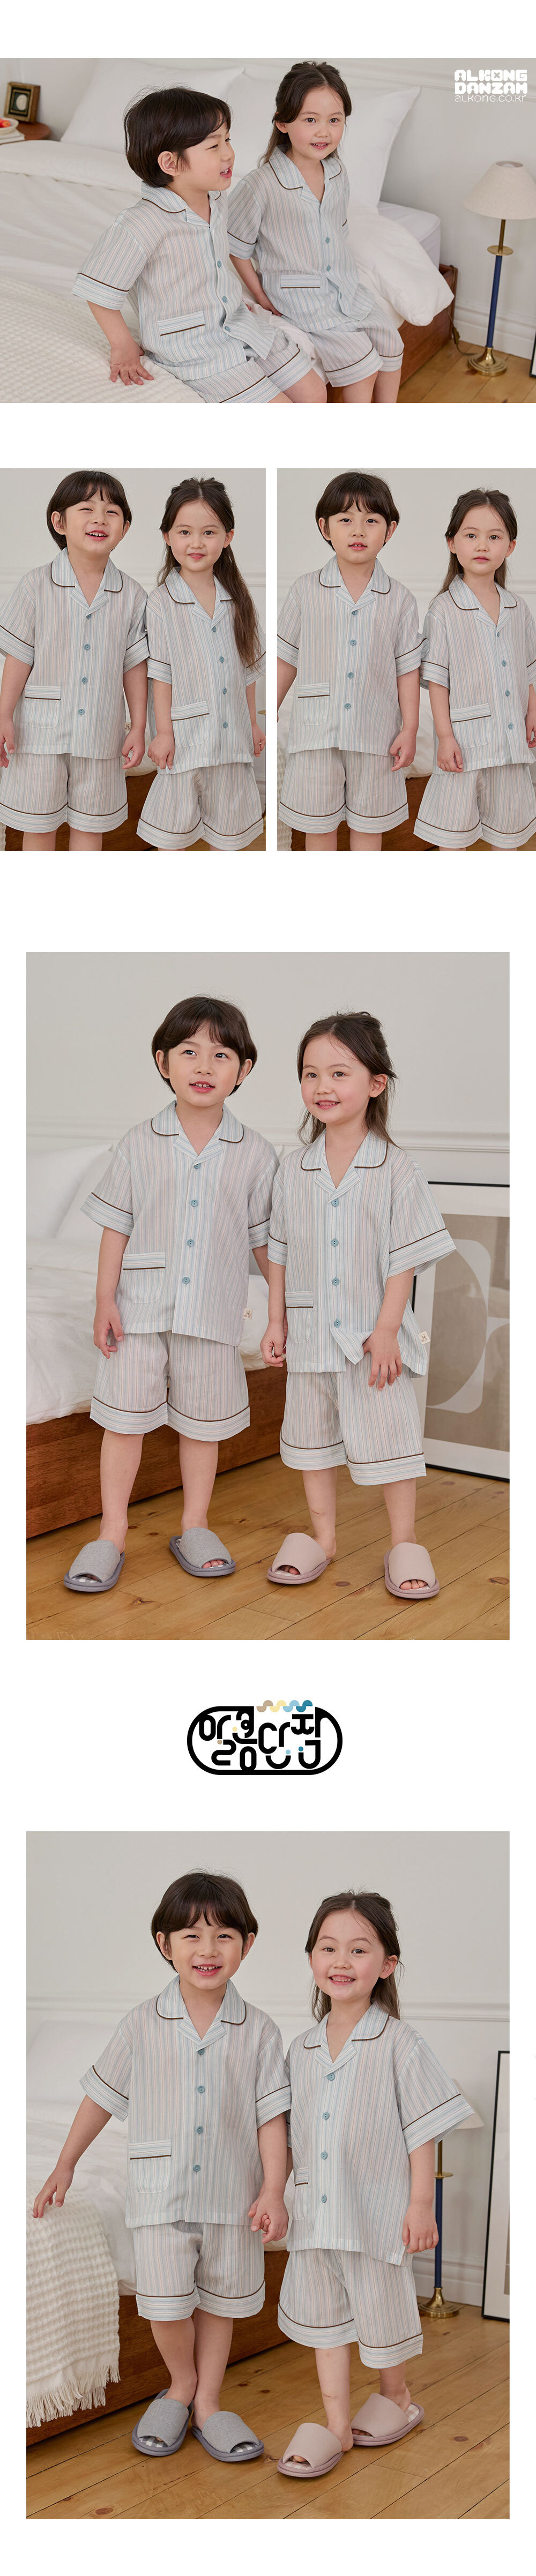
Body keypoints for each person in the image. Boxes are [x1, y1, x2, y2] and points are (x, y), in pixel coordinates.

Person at [33, 1869, 289, 2465]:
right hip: (159, 2194)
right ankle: (181, 2385)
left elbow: (271, 2119)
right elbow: (100, 2097)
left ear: (247, 1944)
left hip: (233, 2194)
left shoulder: (260, 2031)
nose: (207, 1949)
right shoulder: (140, 2023)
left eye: (224, 1935)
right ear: (164, 1943)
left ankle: (209, 2404)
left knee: (221, 2303)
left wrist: (274, 2188)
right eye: (191, 1935)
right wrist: (65, 2164)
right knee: (167, 2305)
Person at [63, 994, 278, 1594]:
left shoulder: (256, 1154)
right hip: (138, 1310)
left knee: (202, 1426)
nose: (204, 1065)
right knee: (124, 1421)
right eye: (189, 1051)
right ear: (163, 1062)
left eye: (221, 1054)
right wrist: (105, 1300)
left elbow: (266, 1241)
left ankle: (195, 1525)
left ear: (244, 1069)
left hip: (212, 1312)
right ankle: (111, 1532)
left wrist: (281, 1311)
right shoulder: (138, 1142)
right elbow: (116, 1227)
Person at [277, 1888, 472, 2477]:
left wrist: (420, 2203)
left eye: (358, 1949)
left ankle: (397, 2396)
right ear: (311, 1957)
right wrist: (272, 2194)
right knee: (325, 2323)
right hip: (316, 2217)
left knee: (383, 2312)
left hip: (375, 2213)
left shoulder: (399, 2044)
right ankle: (337, 2425)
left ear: (386, 1964)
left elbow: (422, 2129)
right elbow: (290, 2134)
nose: (341, 1960)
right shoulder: (300, 2049)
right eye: (328, 1947)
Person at [262, 1009, 454, 1598]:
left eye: (339, 1073)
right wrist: (275, 1321)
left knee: (391, 1439)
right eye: (310, 1073)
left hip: (373, 1338)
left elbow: (405, 1256)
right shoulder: (292, 1168)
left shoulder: (396, 1169)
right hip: (310, 1333)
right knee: (312, 1441)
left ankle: (404, 1541)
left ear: (376, 1082)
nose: (322, 1086)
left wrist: (388, 1329)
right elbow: (279, 1250)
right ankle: (322, 1538)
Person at [73, 86, 322, 404]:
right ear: (170, 163)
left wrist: (225, 299)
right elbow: (98, 290)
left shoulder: (217, 198)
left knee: (314, 392)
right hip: (192, 349)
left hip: (238, 323)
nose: (228, 153)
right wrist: (123, 345)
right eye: (213, 146)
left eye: (228, 140)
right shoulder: (141, 224)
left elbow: (210, 262)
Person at [228, 60, 403, 402]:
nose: (324, 132)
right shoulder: (260, 185)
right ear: (283, 123)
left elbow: (337, 232)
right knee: (362, 363)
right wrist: (261, 296)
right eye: (310, 120)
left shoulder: (337, 173)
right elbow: (237, 247)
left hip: (344, 286)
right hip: (300, 297)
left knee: (391, 344)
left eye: (334, 121)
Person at [0, 472, 147, 852]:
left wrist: (139, 726)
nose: (100, 518)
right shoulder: (35, 585)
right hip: (38, 736)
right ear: (60, 522)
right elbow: (19, 657)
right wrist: (3, 716)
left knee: (91, 828)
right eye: (87, 509)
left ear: (125, 528)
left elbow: (134, 667)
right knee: (38, 826)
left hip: (102, 734)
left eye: (112, 511)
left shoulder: (132, 596)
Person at [277, 474, 421, 851]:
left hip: (377, 736)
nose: (358, 530)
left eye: (371, 520)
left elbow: (407, 670)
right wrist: (268, 710)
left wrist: (410, 728)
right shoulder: (304, 590)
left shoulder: (401, 600)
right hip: (316, 735)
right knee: (318, 828)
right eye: (345, 520)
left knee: (369, 831)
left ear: (390, 531)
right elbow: (286, 659)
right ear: (325, 528)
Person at [138, 478, 265, 851]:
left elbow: (247, 669)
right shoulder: (160, 603)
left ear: (227, 538)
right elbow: (160, 674)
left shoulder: (238, 601)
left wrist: (252, 721)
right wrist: (163, 733)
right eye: (185, 532)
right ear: (167, 537)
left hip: (232, 740)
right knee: (172, 836)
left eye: (209, 532)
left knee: (229, 838)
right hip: (186, 741)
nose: (196, 543)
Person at [415, 488, 536, 851]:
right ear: (452, 543)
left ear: (510, 547)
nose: (482, 545)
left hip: (511, 744)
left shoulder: (519, 609)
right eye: (471, 536)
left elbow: (529, 670)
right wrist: (445, 737)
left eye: (494, 537)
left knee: (510, 837)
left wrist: (532, 712)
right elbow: (437, 681)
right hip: (464, 747)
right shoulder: (443, 610)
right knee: (453, 838)